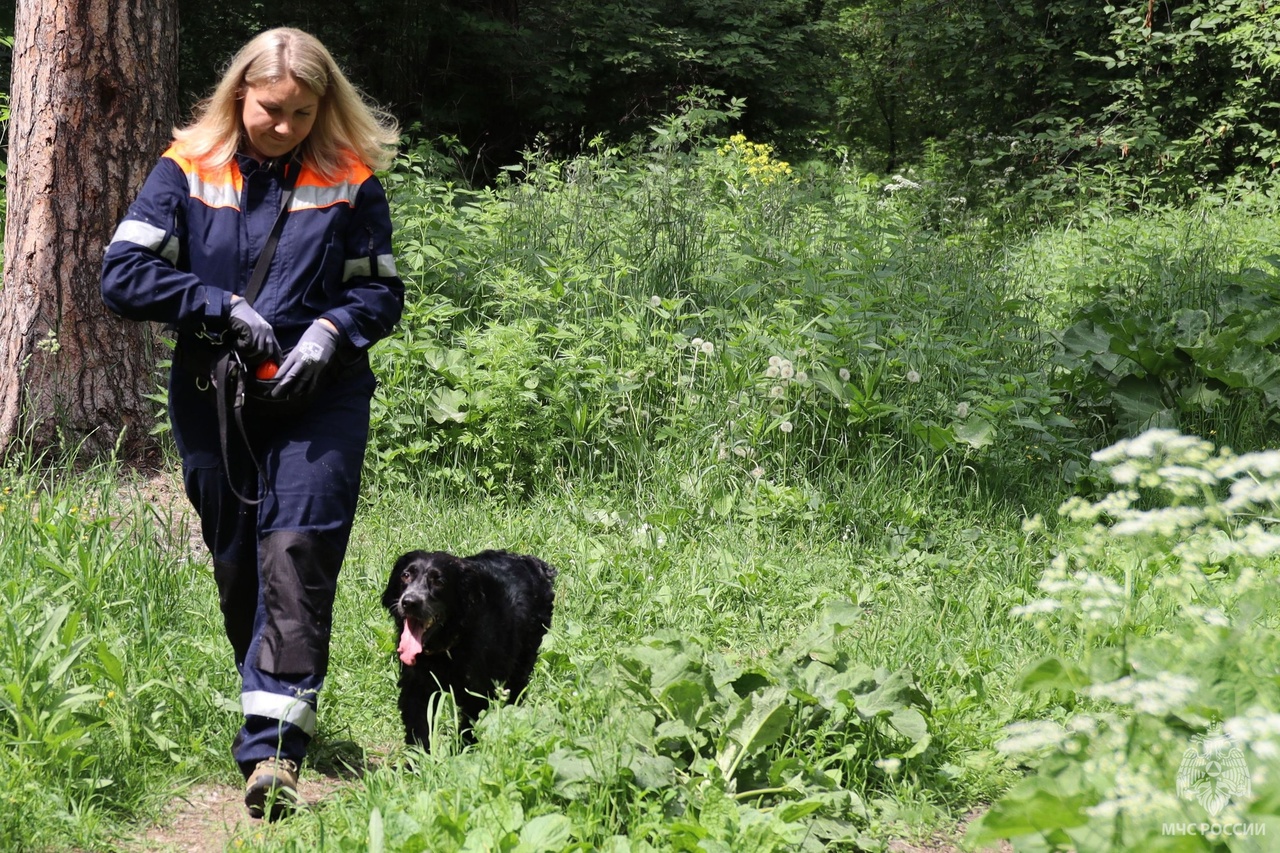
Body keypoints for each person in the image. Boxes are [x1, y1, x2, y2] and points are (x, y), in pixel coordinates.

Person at [101, 28, 403, 820]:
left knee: (296, 549)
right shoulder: (187, 168)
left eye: (304, 113)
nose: (286, 126)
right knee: (240, 561)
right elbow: (121, 273)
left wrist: (332, 332)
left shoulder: (350, 178)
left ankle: (273, 753)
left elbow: (381, 293)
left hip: (322, 397)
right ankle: (271, 690)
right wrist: (219, 305)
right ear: (241, 94)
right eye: (273, 110)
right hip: (213, 394)